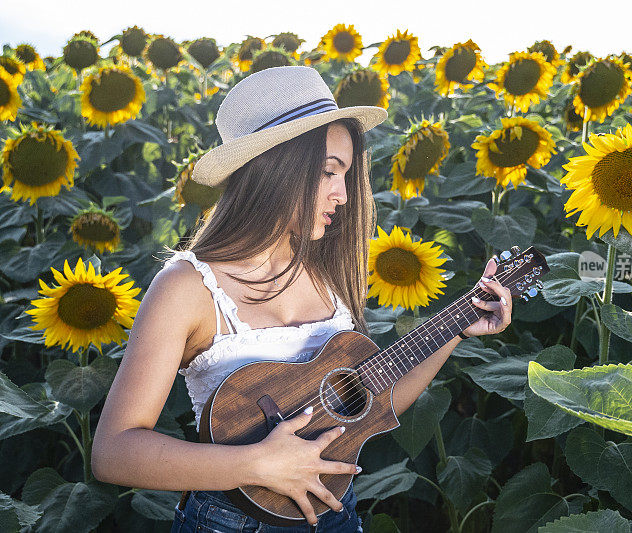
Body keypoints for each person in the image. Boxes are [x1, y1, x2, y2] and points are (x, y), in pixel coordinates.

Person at [91, 66, 513, 533]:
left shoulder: (327, 271)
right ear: (276, 169)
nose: (344, 195)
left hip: (336, 515)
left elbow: (372, 402)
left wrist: (458, 325)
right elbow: (114, 453)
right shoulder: (188, 287)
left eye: (347, 174)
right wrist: (255, 465)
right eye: (330, 172)